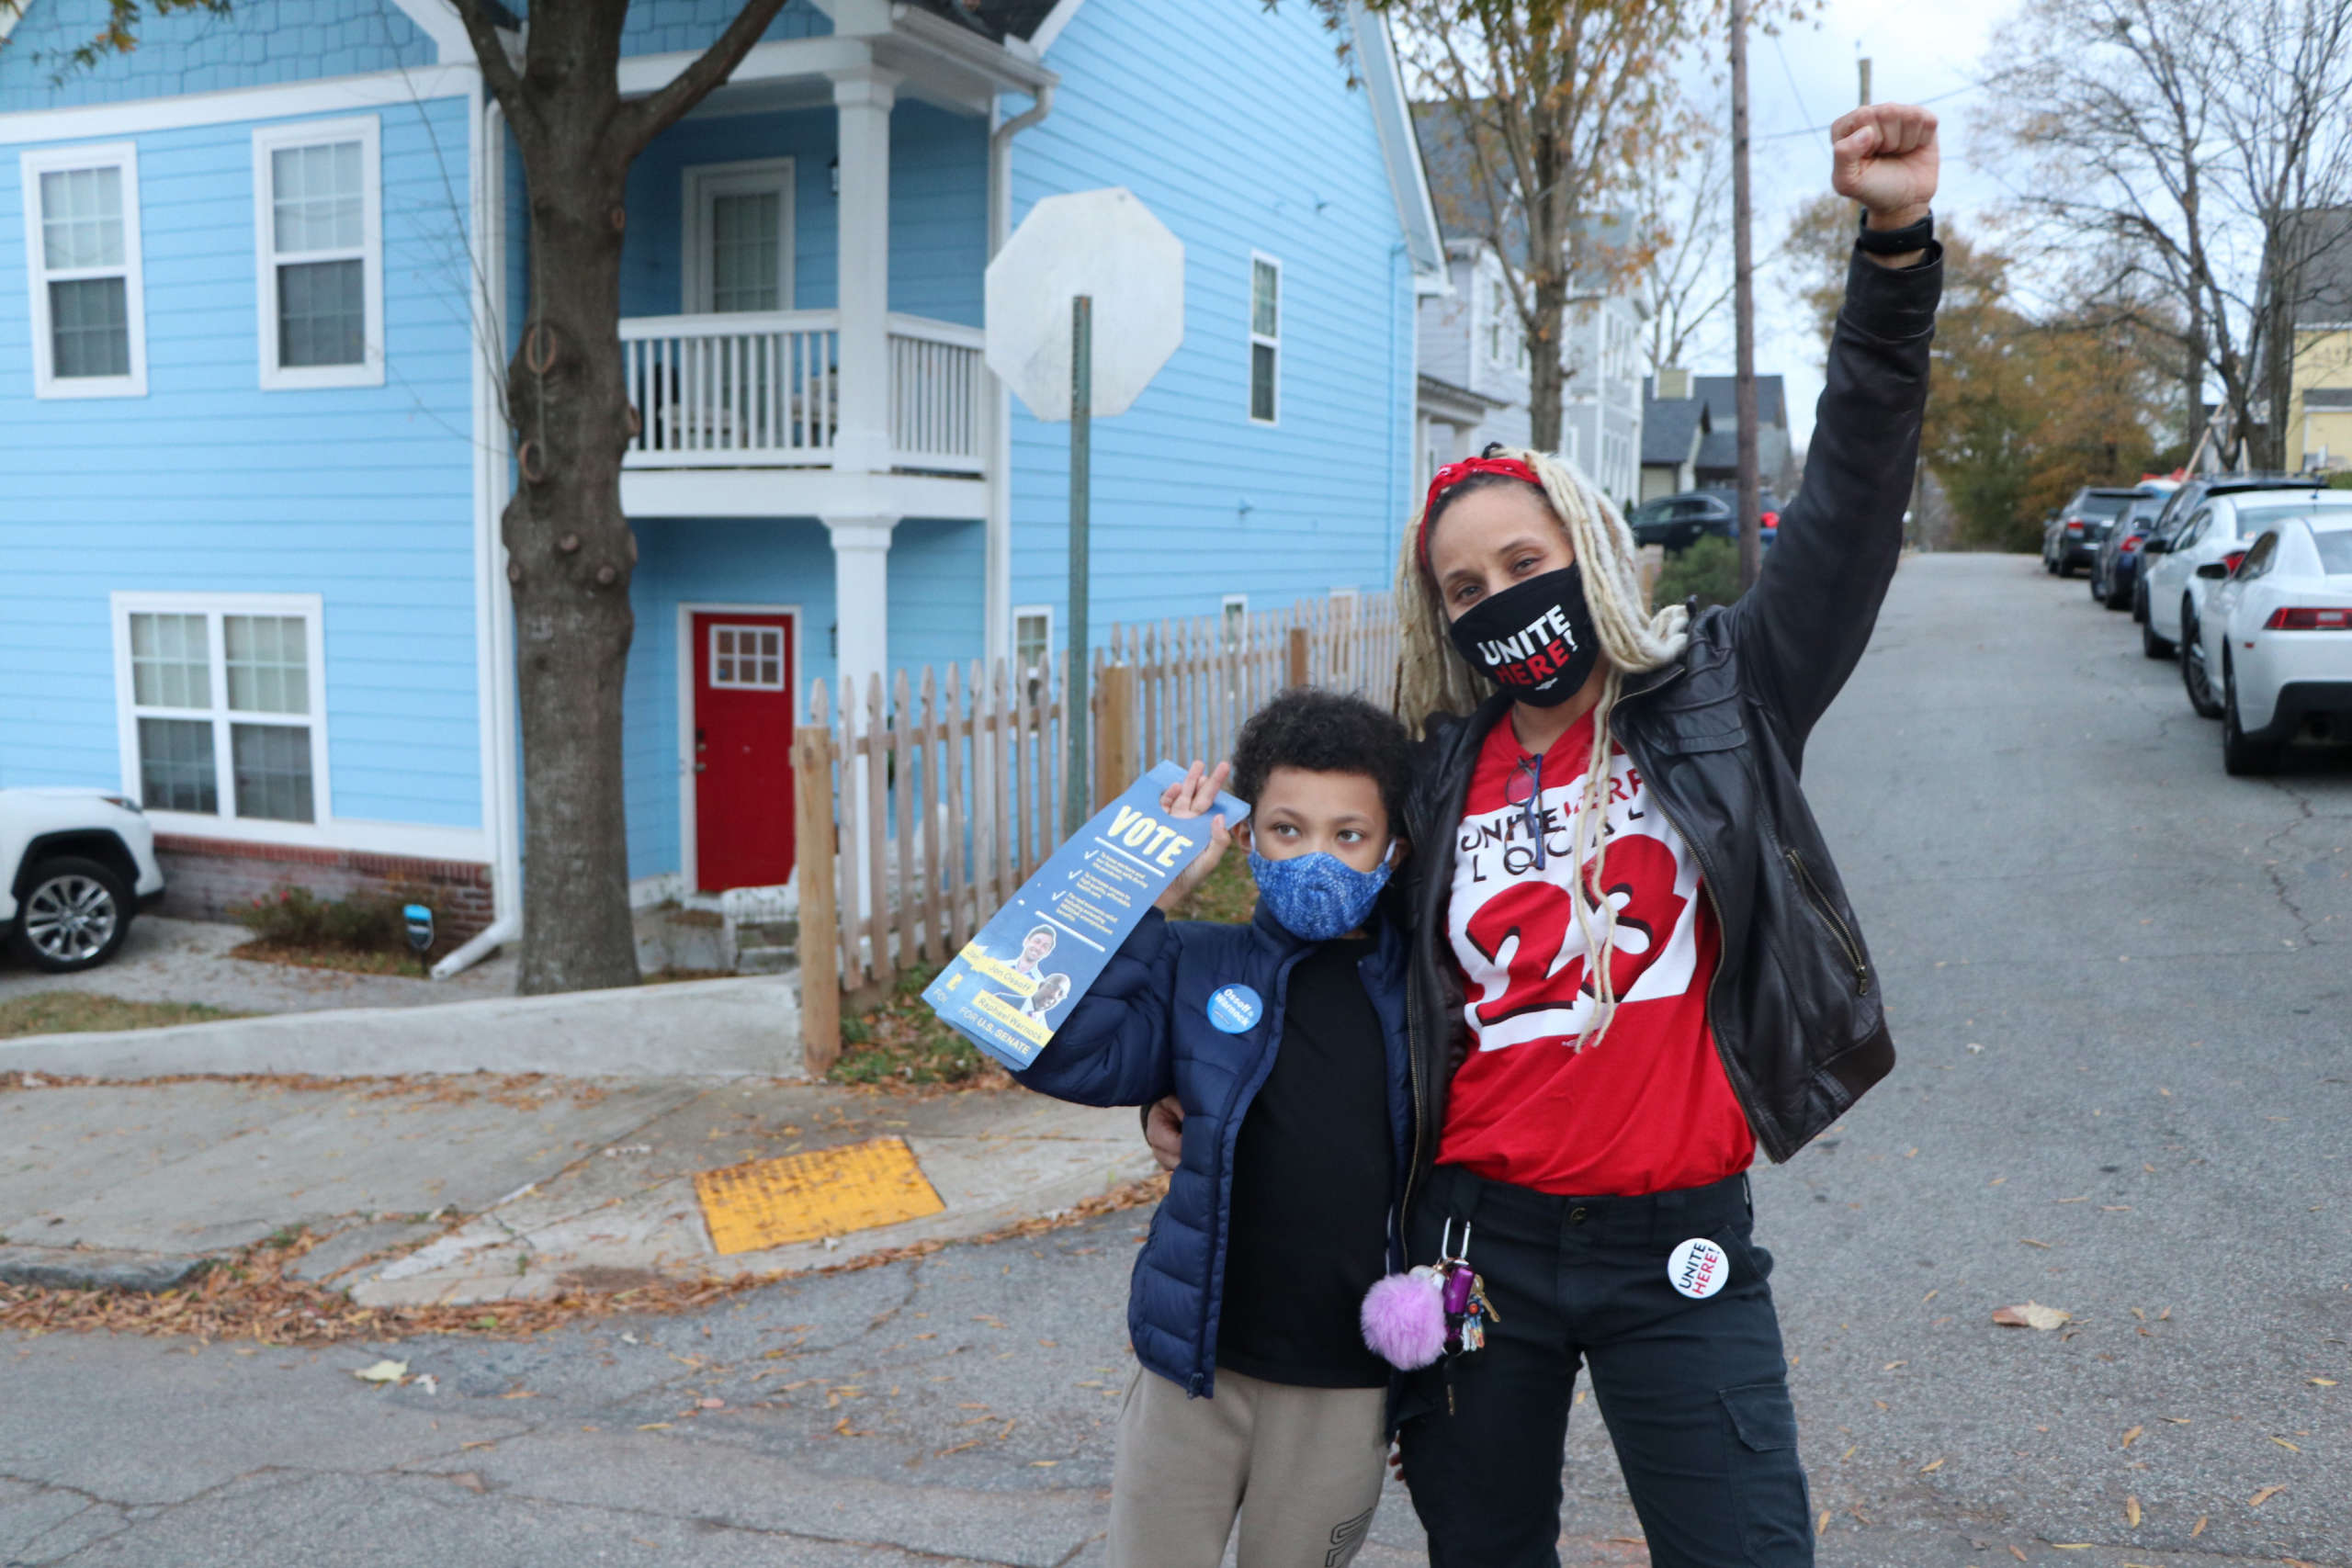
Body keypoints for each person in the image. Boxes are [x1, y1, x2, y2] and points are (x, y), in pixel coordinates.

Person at [1142, 103, 1944, 1568]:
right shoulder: (1433, 775)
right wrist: (1197, 1074)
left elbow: (1852, 494)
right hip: (1473, 1246)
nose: (1498, 595)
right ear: (1437, 616)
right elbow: (1334, 963)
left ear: (1585, 546)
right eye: (1463, 586)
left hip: (1677, 1244)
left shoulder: (1727, 696)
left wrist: (1892, 248)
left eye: (1525, 561)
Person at [1012, 689, 1416, 1568]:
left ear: (1394, 846)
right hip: (1194, 1370)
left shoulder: (1425, 996)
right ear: (1245, 836)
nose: (1316, 855)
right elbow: (1052, 1050)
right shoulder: (1193, 961)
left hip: (1344, 1387)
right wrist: (1152, 895)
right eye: (1286, 828)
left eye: (1348, 834)